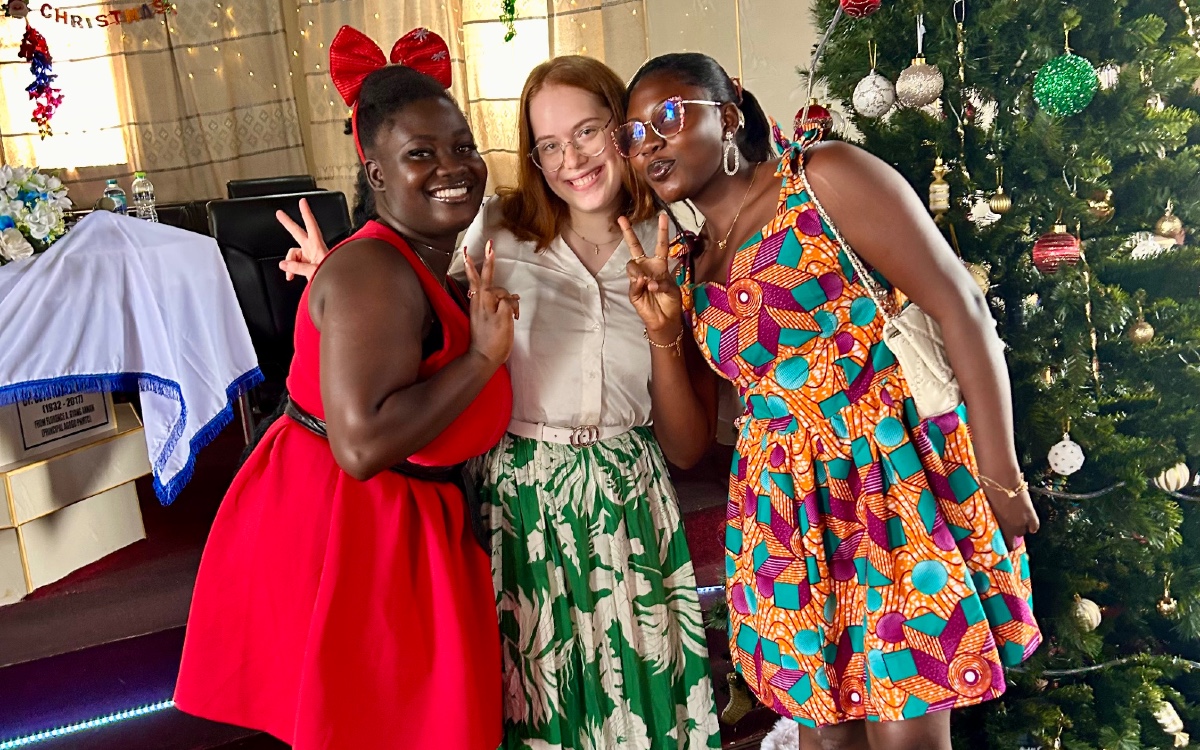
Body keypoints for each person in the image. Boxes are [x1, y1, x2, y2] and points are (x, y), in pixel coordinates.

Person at [278, 55, 721, 749]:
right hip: (517, 502)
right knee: (528, 706)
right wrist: (337, 268)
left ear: (623, 129)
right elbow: (418, 307)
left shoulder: (680, 248)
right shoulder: (495, 233)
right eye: (549, 144)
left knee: (635, 708)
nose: (572, 159)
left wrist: (665, 331)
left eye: (587, 131)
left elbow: (689, 449)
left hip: (628, 500)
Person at [614, 52, 1042, 750]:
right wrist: (662, 329)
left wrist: (1000, 473)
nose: (649, 144)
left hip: (889, 486)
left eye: (667, 116)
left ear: (728, 116)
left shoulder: (821, 179)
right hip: (781, 515)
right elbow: (687, 446)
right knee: (825, 738)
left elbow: (960, 306)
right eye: (633, 134)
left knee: (908, 731)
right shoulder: (689, 264)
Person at [174, 27, 518, 750]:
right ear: (376, 174)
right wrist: (482, 359)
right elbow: (361, 446)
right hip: (360, 526)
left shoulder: (399, 261)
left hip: (390, 520)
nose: (452, 166)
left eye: (462, 146)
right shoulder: (375, 270)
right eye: (420, 153)